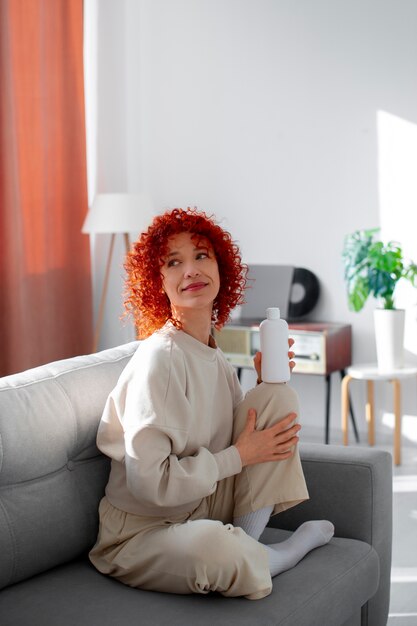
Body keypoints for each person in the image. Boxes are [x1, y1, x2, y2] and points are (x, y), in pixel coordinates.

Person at [89, 207, 334, 599]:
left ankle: (246, 542)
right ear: (158, 282)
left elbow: (233, 428)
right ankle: (277, 553)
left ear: (222, 268)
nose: (191, 270)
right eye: (174, 262)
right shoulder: (161, 359)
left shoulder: (211, 352)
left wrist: (261, 381)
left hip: (200, 504)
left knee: (277, 396)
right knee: (215, 549)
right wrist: (237, 457)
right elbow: (150, 483)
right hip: (144, 531)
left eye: (201, 255)